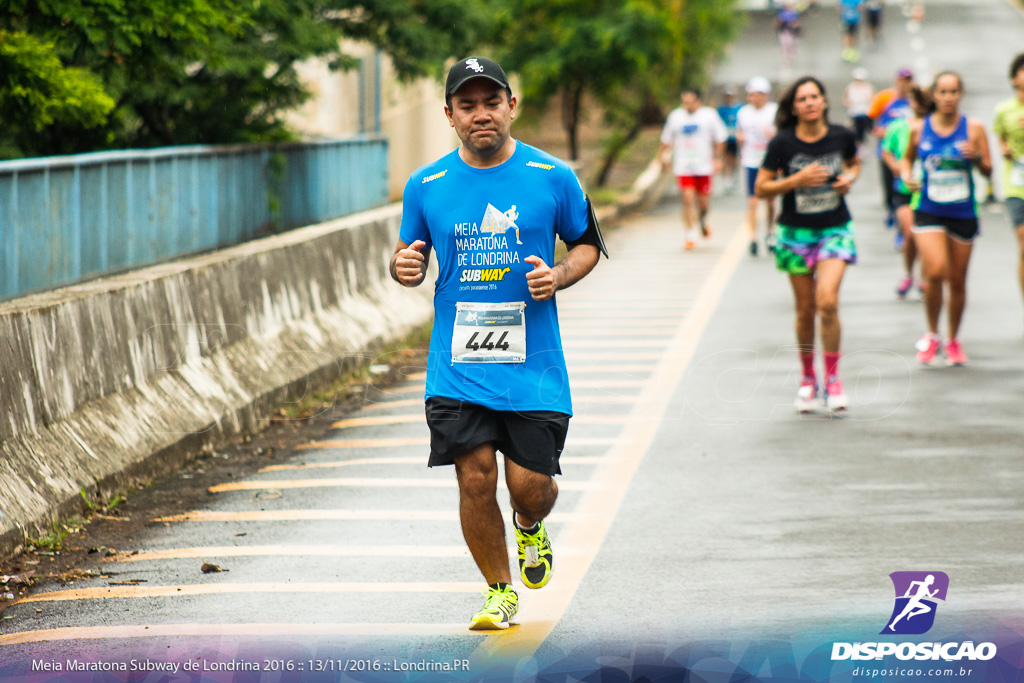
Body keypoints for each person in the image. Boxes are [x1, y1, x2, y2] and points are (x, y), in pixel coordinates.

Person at [390, 56, 604, 630]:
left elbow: (587, 246)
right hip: (457, 364)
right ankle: (498, 591)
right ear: (450, 115)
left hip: (534, 367)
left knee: (528, 487)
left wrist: (558, 275)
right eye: (467, 105)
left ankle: (531, 528)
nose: (480, 114)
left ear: (513, 105)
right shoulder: (425, 185)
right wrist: (403, 266)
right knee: (475, 474)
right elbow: (408, 256)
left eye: (491, 101)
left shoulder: (553, 176)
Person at [756, 76, 861, 412]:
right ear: (795, 107)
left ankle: (832, 379)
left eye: (815, 97)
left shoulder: (841, 135)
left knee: (827, 302)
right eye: (802, 99)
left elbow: (854, 162)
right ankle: (807, 379)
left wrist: (849, 179)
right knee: (805, 310)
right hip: (794, 235)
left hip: (834, 229)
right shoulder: (783, 144)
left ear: (825, 101)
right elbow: (761, 188)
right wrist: (795, 180)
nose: (810, 103)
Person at [902, 71, 991, 366]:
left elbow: (988, 170)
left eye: (953, 92)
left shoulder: (974, 128)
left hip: (963, 211)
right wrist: (907, 176)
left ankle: (953, 339)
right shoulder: (919, 128)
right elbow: (907, 158)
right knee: (936, 271)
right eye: (942, 92)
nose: (948, 98)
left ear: (960, 95)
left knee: (957, 281)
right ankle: (932, 334)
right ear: (934, 96)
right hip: (929, 208)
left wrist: (976, 157)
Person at [659, 88, 727, 250]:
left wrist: (718, 159)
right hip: (683, 166)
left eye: (690, 101)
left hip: (704, 166)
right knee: (688, 199)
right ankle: (690, 234)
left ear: (698, 101)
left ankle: (702, 220)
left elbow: (721, 138)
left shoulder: (709, 115)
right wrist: (661, 158)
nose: (686, 105)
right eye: (684, 102)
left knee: (703, 204)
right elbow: (666, 139)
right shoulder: (676, 117)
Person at [882, 86, 932, 299]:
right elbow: (886, 151)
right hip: (905, 191)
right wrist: (896, 166)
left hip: (931, 192)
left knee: (927, 238)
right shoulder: (898, 126)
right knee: (911, 233)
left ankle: (925, 276)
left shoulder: (936, 127)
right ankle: (908, 273)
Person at [993, 52, 1024, 327]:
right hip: (1016, 183)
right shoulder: (1004, 111)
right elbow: (1001, 138)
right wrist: (1004, 149)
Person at [736, 76, 779, 256]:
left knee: (770, 202)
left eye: (757, 94)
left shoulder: (774, 111)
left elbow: (782, 134)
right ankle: (753, 237)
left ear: (765, 95)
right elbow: (739, 131)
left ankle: (770, 233)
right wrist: (740, 138)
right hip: (751, 162)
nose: (753, 98)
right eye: (751, 95)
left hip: (770, 162)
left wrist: (773, 135)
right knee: (752, 202)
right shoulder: (743, 113)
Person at [872, 68, 916, 234]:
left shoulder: (915, 101)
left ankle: (903, 225)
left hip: (909, 154)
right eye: (903, 80)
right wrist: (885, 131)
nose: (906, 84)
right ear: (896, 81)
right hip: (888, 152)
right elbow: (875, 126)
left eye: (909, 80)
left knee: (905, 191)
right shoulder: (885, 99)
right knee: (890, 188)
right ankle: (891, 211)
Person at [718, 88, 743, 194]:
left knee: (735, 159)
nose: (729, 98)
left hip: (736, 137)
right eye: (727, 96)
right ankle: (728, 179)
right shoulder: (721, 109)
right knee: (727, 158)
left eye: (731, 96)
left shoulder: (740, 108)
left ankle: (735, 174)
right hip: (725, 137)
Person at [844, 67, 875, 148]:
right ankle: (857, 147)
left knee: (864, 131)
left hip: (864, 112)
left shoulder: (868, 88)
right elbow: (845, 99)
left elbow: (872, 100)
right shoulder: (850, 87)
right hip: (854, 112)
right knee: (855, 132)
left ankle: (862, 146)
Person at [776, 1, 802, 71]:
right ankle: (785, 59)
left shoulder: (794, 12)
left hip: (791, 32)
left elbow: (796, 22)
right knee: (784, 45)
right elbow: (778, 22)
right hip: (784, 31)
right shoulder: (781, 12)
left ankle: (790, 58)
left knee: (791, 46)